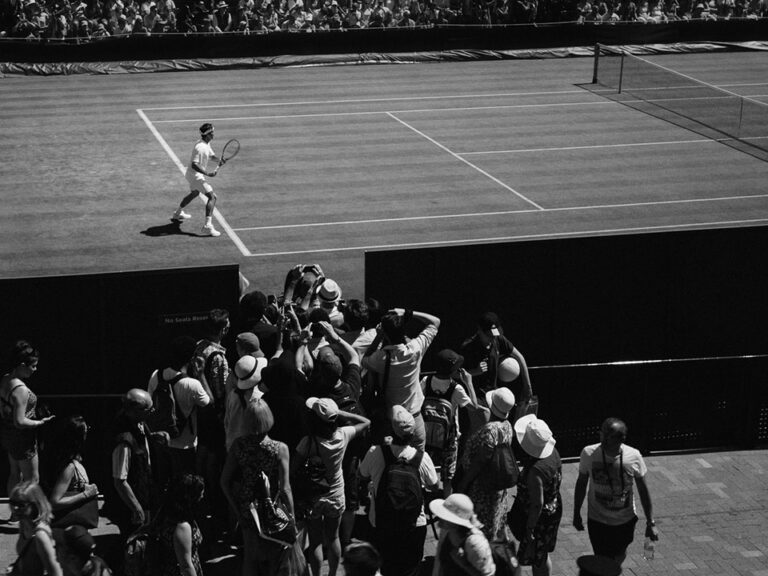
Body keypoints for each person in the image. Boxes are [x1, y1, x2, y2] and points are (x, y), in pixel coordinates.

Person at [358, 405, 439, 576]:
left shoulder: (375, 452)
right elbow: (433, 484)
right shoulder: (422, 458)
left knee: (386, 567)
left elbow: (362, 474)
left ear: (391, 430)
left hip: (381, 521)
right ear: (412, 434)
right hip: (414, 525)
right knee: (410, 569)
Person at [294, 397, 370, 576]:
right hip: (335, 495)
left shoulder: (308, 441)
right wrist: (340, 414)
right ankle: (333, 574)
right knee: (334, 537)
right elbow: (366, 422)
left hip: (314, 497)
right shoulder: (343, 435)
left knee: (315, 542)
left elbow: (293, 468)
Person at [220, 399, 293, 576]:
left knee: (250, 558)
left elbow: (224, 481)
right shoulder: (279, 448)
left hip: (248, 506)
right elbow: (285, 488)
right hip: (272, 506)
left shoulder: (238, 445)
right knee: (276, 556)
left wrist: (237, 509)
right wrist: (291, 517)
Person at [572, 417, 659, 567]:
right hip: (597, 519)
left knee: (618, 554)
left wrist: (650, 522)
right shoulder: (589, 453)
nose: (604, 440)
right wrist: (576, 513)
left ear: (621, 439)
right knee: (601, 557)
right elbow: (581, 483)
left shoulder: (634, 456)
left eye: (610, 437)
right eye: (603, 434)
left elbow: (643, 490)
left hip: (624, 520)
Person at [362, 308, 441, 449]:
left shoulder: (381, 358)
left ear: (386, 333)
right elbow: (435, 322)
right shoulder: (415, 349)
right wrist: (407, 313)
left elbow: (364, 359)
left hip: (390, 422)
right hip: (415, 418)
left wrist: (379, 336)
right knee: (417, 461)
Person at [147, 335, 212, 487]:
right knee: (185, 489)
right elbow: (209, 404)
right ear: (191, 358)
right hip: (185, 446)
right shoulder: (192, 384)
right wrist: (201, 373)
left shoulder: (156, 375)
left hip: (161, 442)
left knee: (163, 486)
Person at [454, 388, 516, 543]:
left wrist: (464, 482)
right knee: (493, 520)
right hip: (497, 486)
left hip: (482, 486)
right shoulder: (507, 426)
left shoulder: (489, 430)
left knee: (479, 524)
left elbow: (480, 462)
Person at [1, 340, 55, 517]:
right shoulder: (21, 389)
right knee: (32, 479)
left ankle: (15, 513)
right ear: (22, 365)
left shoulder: (5, 379)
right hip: (22, 438)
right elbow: (20, 421)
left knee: (14, 474)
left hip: (8, 434)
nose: (35, 369)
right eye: (33, 366)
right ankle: (31, 515)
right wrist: (40, 423)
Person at [420, 349, 482, 496]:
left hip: (427, 434)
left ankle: (421, 497)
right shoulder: (456, 388)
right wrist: (469, 382)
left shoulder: (426, 381)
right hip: (449, 439)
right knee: (448, 477)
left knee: (423, 468)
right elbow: (474, 407)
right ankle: (446, 504)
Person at [509, 415, 562, 576]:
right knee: (542, 555)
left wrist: (529, 529)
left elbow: (537, 504)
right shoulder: (553, 453)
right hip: (553, 507)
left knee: (537, 557)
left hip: (539, 520)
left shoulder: (535, 472)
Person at [459, 312, 533, 403]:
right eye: (489, 335)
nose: (493, 338)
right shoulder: (468, 348)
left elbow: (520, 358)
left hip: (494, 395)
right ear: (479, 330)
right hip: (476, 398)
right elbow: (454, 374)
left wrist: (527, 387)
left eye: (494, 334)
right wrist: (475, 372)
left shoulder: (498, 339)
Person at [40, 416, 99, 529]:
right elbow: (55, 502)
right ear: (79, 437)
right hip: (69, 528)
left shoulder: (69, 460)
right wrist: (86, 494)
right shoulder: (69, 467)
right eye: (86, 431)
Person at [171, 122, 225, 237]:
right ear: (207, 134)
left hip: (191, 174)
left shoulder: (205, 143)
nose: (214, 134)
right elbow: (195, 164)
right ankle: (207, 226)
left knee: (194, 193)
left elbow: (210, 156)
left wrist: (219, 160)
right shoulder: (200, 147)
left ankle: (177, 213)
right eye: (212, 132)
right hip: (195, 175)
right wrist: (207, 173)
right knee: (212, 197)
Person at [429, 493, 496, 576]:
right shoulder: (449, 531)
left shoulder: (475, 543)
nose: (439, 521)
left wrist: (463, 563)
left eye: (445, 517)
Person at [155, 473, 206, 576]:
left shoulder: (167, 513)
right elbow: (186, 566)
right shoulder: (182, 527)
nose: (202, 497)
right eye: (199, 495)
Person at [8, 481, 63, 576]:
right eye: (13, 503)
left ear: (34, 505)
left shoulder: (40, 535)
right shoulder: (24, 523)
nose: (15, 508)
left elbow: (55, 572)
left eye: (21, 504)